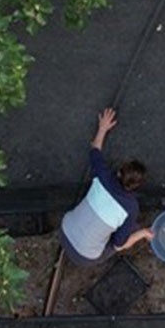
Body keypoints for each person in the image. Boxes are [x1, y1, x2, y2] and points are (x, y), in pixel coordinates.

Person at [59, 108, 153, 266]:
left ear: (118, 173)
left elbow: (95, 150)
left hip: (65, 230)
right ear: (135, 187)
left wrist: (103, 127)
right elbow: (119, 245)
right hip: (83, 257)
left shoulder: (103, 177)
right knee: (123, 234)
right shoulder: (130, 208)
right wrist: (143, 233)